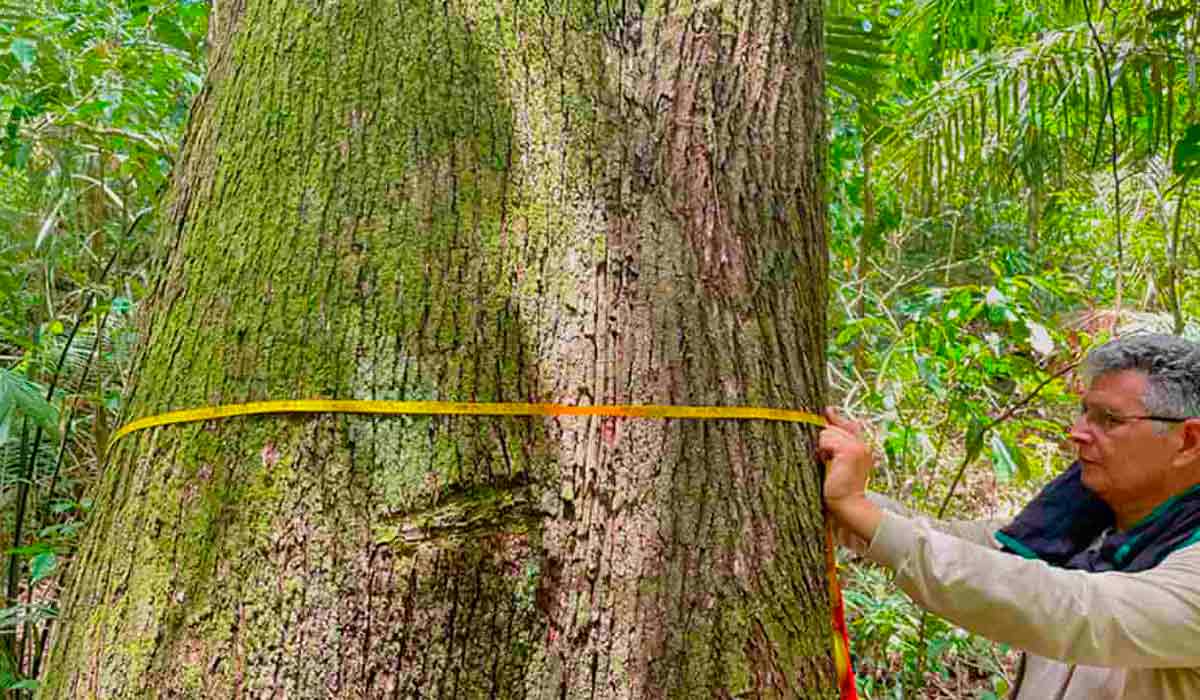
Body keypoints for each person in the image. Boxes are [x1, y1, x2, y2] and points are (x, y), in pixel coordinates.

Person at [820, 333, 1200, 699]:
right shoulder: (1086, 526)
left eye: (1109, 419)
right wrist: (843, 496)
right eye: (1085, 412)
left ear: (1188, 442)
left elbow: (1070, 610)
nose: (1077, 433)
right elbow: (961, 547)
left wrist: (857, 508)